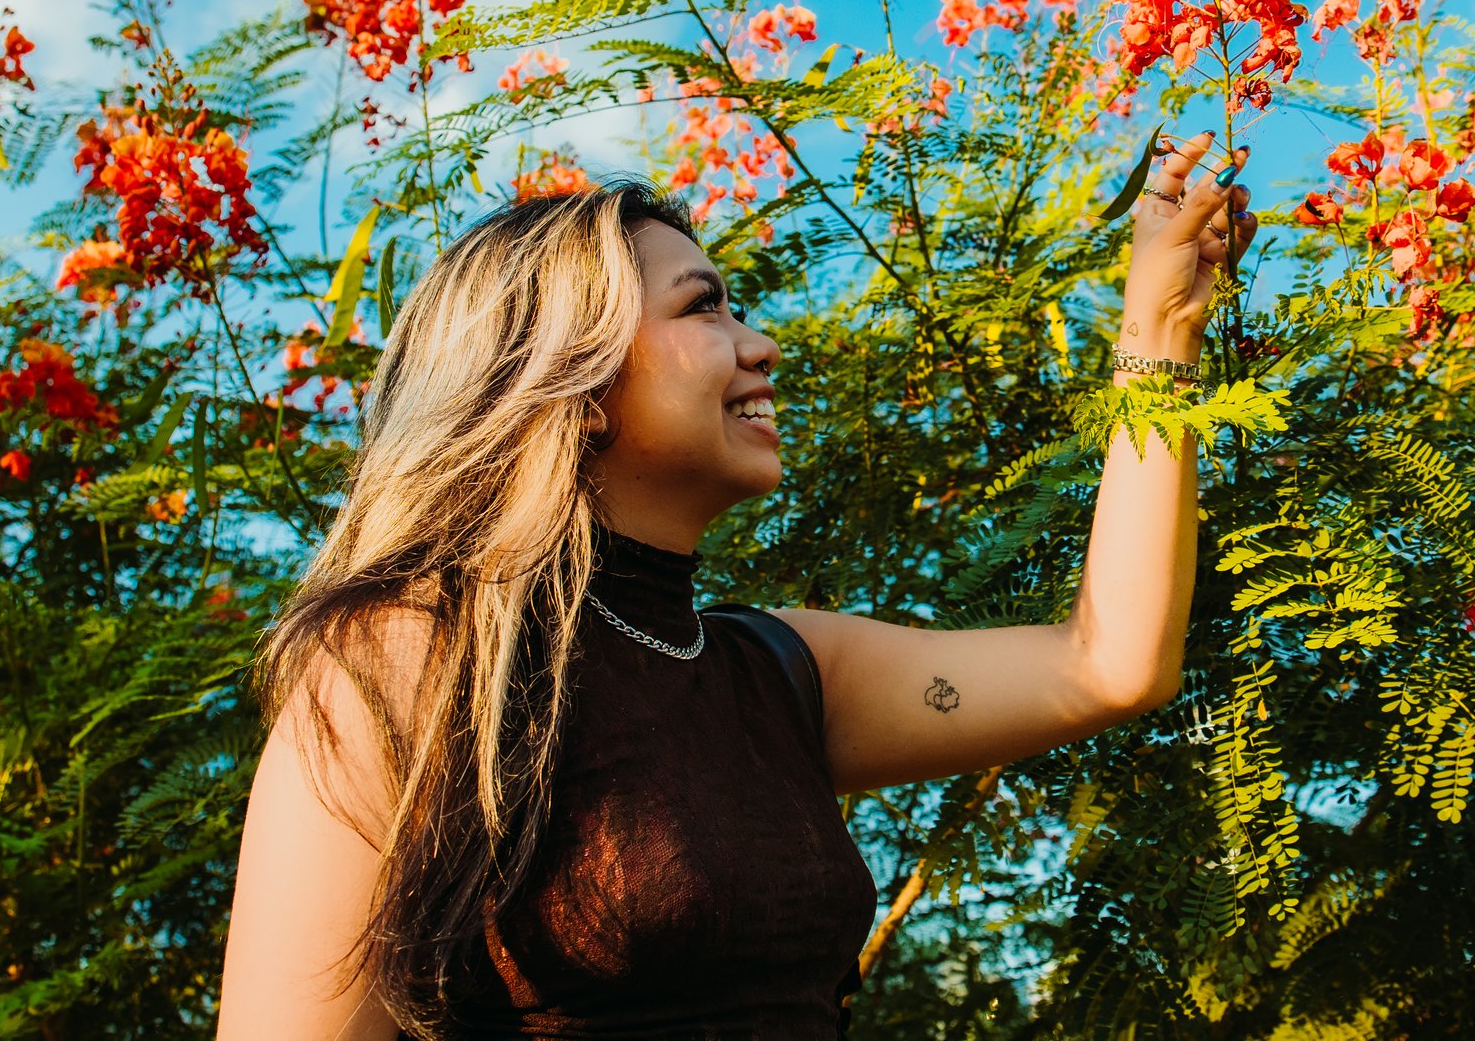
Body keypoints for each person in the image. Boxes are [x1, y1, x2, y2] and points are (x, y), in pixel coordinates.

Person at [217, 131, 1254, 1038]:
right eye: (703, 306)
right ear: (567, 382)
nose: (760, 344)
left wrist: (1158, 332)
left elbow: (1108, 662)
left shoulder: (780, 671)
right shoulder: (409, 657)